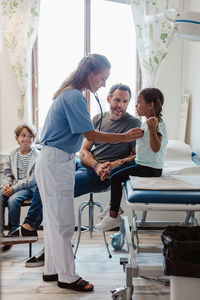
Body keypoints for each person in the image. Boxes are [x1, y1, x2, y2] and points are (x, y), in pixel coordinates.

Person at [35, 54, 143, 292]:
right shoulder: (74, 96)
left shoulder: (70, 93)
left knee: (54, 221)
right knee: (63, 222)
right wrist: (125, 137)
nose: (103, 83)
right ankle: (68, 277)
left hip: (56, 159)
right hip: (56, 161)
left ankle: (52, 270)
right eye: (103, 78)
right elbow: (91, 135)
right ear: (90, 73)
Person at [7, 83, 141, 265]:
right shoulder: (97, 118)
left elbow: (135, 156)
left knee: (54, 191)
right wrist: (95, 165)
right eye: (117, 100)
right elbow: (84, 151)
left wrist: (109, 166)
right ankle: (39, 235)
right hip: (87, 165)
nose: (120, 105)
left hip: (103, 176)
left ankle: (38, 235)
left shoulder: (133, 124)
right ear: (109, 99)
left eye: (125, 101)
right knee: (47, 178)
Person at [95, 87, 168, 231]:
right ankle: (113, 206)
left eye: (139, 102)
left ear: (150, 105)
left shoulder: (157, 124)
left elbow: (155, 148)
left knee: (116, 177)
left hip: (151, 169)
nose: (136, 106)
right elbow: (146, 150)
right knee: (115, 172)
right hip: (142, 162)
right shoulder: (146, 123)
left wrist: (152, 130)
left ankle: (113, 216)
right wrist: (129, 159)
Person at [0, 124, 39, 251]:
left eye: (30, 136)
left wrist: (14, 189)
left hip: (29, 188)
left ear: (33, 139)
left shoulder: (37, 155)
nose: (26, 139)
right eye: (23, 135)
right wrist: (7, 185)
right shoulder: (12, 155)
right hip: (14, 186)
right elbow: (7, 174)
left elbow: (32, 179)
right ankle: (1, 234)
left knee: (13, 200)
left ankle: (13, 233)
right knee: (0, 196)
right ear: (17, 138)